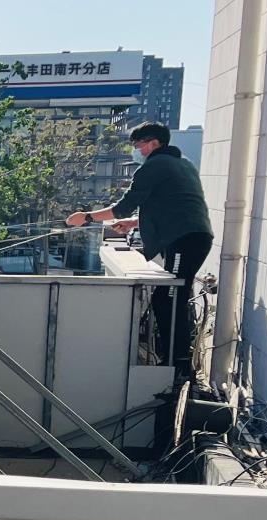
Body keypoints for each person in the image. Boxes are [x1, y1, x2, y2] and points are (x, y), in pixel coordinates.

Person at [67, 123, 214, 383]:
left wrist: (87, 217)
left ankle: (178, 365)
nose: (137, 151)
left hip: (183, 240)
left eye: (139, 146)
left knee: (170, 298)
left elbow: (123, 206)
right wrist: (135, 223)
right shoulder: (183, 165)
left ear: (154, 143)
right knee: (168, 298)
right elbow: (173, 206)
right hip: (193, 236)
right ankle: (175, 360)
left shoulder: (154, 166)